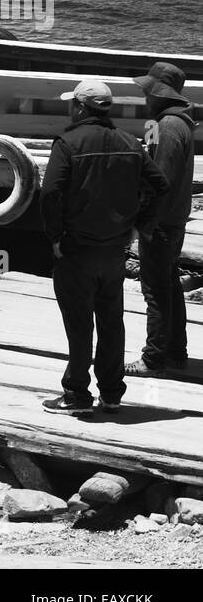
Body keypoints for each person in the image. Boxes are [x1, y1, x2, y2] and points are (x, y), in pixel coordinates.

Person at [39, 79, 169, 416]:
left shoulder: (67, 144)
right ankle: (111, 393)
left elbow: (50, 192)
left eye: (73, 104)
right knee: (112, 322)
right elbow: (160, 185)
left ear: (81, 107)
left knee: (80, 324)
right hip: (114, 250)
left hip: (76, 248)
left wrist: (54, 236)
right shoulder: (129, 143)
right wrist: (140, 224)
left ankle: (76, 395)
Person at [127, 62, 196, 375]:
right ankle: (175, 352)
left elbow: (160, 182)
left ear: (159, 94)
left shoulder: (167, 127)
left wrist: (142, 220)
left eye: (148, 92)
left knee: (154, 290)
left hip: (160, 222)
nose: (145, 98)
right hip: (173, 219)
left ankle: (153, 358)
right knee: (169, 285)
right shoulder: (177, 124)